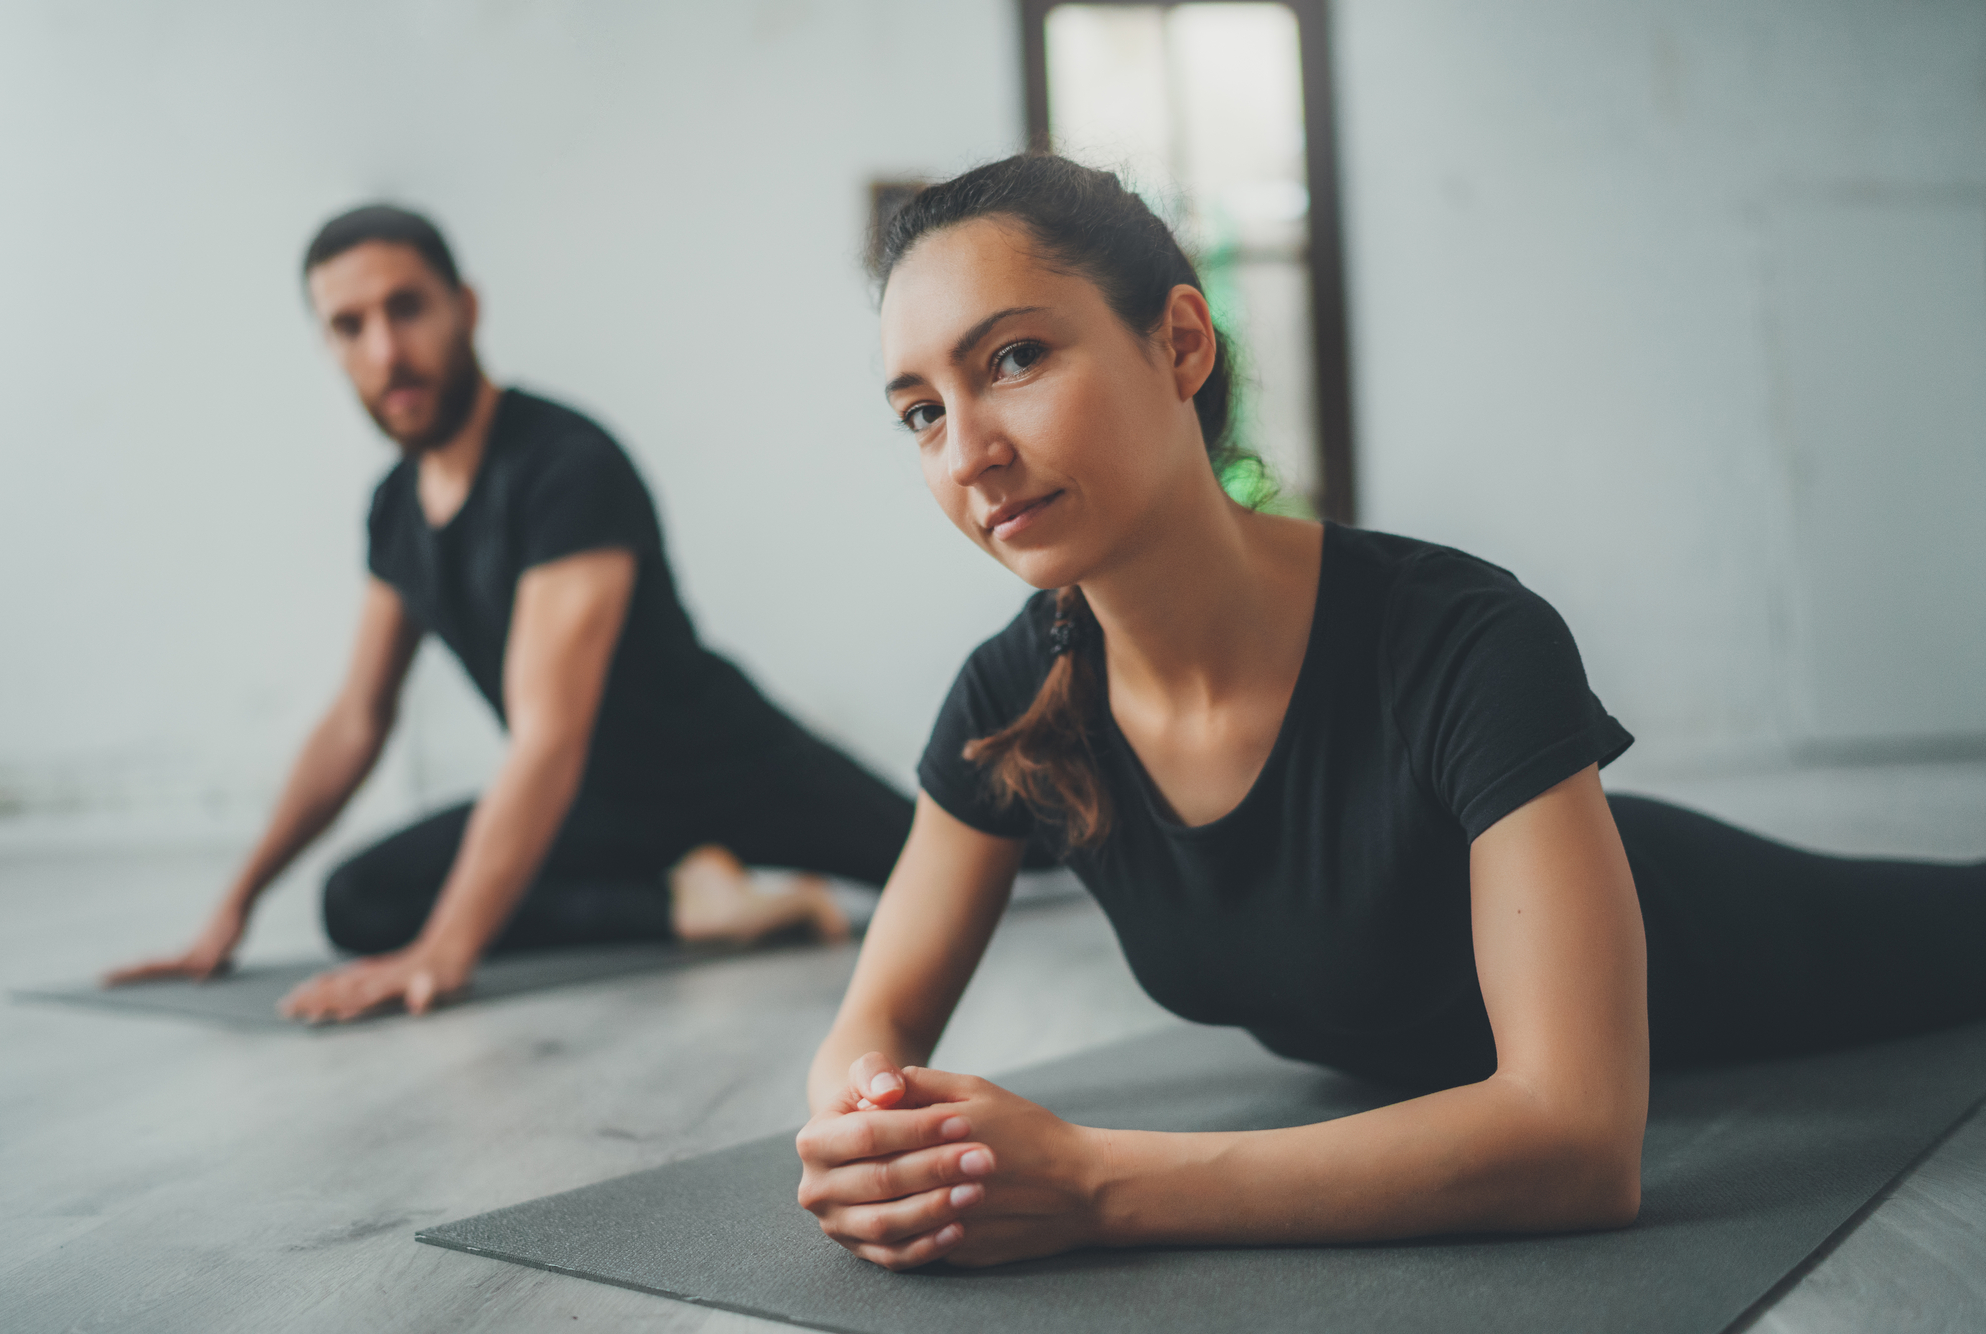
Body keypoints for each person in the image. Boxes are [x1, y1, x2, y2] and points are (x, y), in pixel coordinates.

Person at [792, 154, 1986, 1271]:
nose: (968, 454)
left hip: (1731, 936)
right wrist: (874, 1135)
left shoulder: (1462, 638)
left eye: (1009, 360)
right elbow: (876, 1018)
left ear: (1179, 340)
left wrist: (1098, 1184)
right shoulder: (1015, 697)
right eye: (920, 411)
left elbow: (1576, 1139)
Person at [106, 205, 914, 1022]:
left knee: (974, 856)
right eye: (350, 327)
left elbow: (548, 735)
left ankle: (709, 875)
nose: (386, 351)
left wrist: (447, 950)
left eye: (407, 308)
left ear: (467, 306)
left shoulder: (567, 466)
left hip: (721, 771)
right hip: (590, 812)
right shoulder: (396, 509)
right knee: (358, 901)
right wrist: (232, 906)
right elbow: (358, 718)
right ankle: (697, 904)